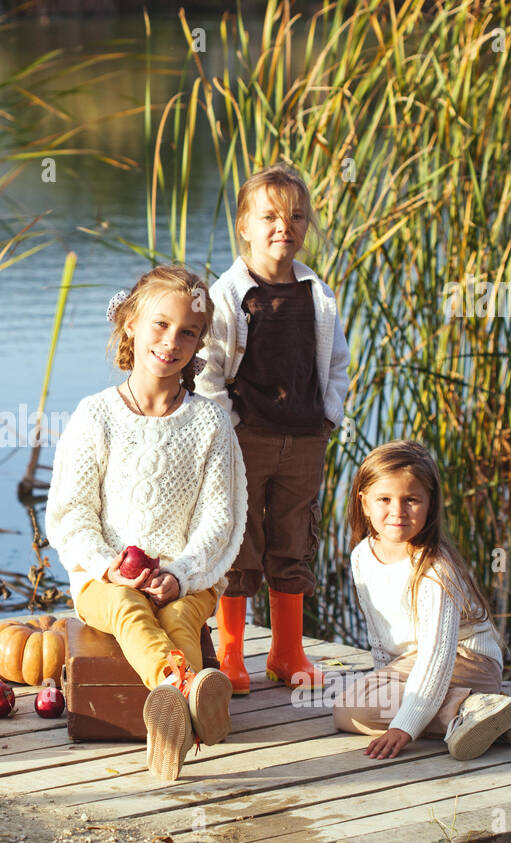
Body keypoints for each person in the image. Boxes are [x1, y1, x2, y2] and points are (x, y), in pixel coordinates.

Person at [45, 265, 248, 781]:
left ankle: (169, 733)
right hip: (104, 581)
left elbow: (219, 519)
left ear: (200, 342)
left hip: (188, 579)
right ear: (130, 323)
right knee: (130, 609)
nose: (171, 341)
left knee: (180, 618)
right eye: (160, 324)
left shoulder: (209, 422)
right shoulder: (96, 416)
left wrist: (180, 572)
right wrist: (108, 567)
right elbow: (71, 514)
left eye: (188, 332)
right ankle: (182, 689)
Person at [194, 164, 350, 693]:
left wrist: (329, 414)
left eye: (296, 216)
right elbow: (209, 369)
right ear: (244, 225)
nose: (284, 226)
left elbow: (336, 364)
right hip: (246, 440)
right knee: (242, 541)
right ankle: (232, 655)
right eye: (269, 217)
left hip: (305, 438)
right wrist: (228, 424)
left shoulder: (317, 293)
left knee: (293, 538)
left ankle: (287, 652)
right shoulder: (229, 295)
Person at [334, 440, 511, 760]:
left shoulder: (435, 568)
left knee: (351, 709)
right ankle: (473, 710)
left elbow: (437, 656)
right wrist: (383, 677)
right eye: (384, 499)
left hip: (468, 661)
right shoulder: (362, 556)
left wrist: (403, 727)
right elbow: (378, 635)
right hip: (416, 663)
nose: (397, 511)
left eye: (411, 499)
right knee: (350, 709)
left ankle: (468, 706)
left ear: (430, 503)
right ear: (364, 502)